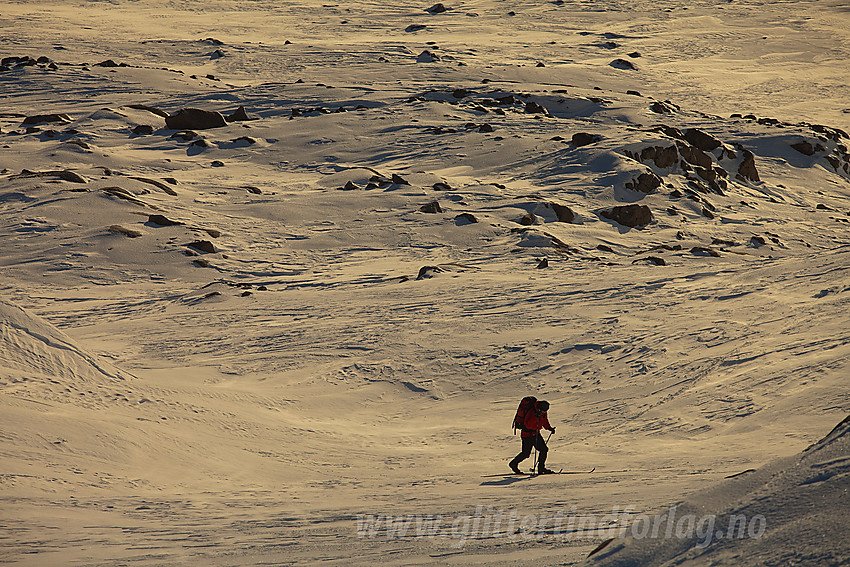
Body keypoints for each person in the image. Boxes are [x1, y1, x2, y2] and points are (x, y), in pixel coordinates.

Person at [509, 400, 556, 474]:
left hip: (535, 434)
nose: (545, 412)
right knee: (526, 453)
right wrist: (536, 419)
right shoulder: (532, 412)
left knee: (544, 449)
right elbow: (528, 425)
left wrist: (549, 428)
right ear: (540, 408)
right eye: (544, 411)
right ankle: (513, 464)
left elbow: (544, 421)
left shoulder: (542, 411)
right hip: (527, 435)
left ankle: (541, 468)